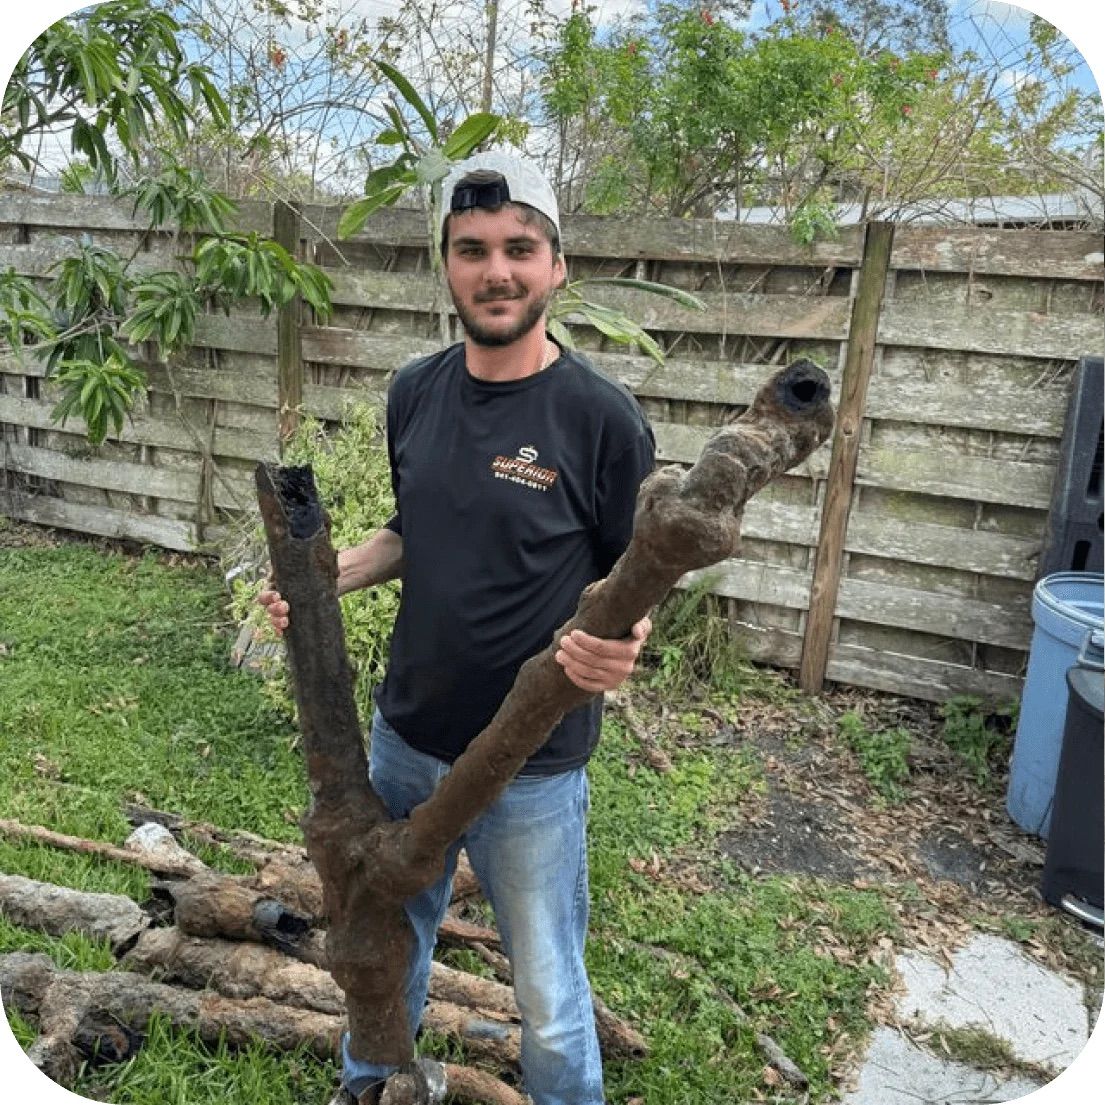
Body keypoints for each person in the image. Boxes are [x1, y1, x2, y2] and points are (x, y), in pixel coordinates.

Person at [259, 149, 656, 1105]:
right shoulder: (416, 391)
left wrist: (627, 643)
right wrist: (330, 576)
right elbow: (414, 528)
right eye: (471, 248)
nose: (496, 270)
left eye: (520, 248)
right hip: (404, 744)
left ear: (558, 266)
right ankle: (372, 1088)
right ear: (446, 263)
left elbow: (634, 575)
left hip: (530, 767)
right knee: (382, 946)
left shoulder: (603, 420)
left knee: (551, 993)